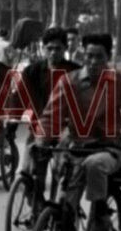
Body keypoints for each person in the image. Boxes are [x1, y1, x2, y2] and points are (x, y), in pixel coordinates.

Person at [41, 32, 121, 231]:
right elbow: (50, 115)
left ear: (108, 57)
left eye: (99, 57)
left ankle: (100, 214)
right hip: (74, 149)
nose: (92, 62)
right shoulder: (68, 82)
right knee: (65, 203)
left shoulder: (119, 84)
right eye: (88, 56)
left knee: (94, 164)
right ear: (82, 55)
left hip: (107, 150)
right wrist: (41, 141)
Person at [17, 26, 79, 177]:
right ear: (43, 48)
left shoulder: (75, 71)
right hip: (40, 124)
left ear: (65, 48)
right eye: (49, 48)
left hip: (67, 127)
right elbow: (18, 96)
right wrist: (10, 117)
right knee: (29, 170)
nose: (53, 52)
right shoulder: (32, 71)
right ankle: (35, 195)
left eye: (58, 48)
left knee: (63, 167)